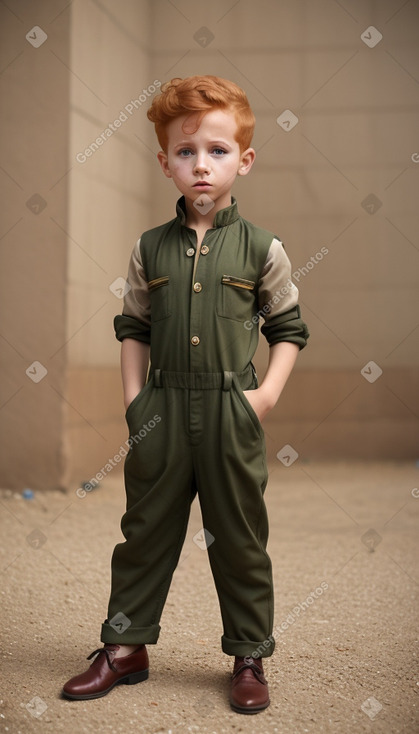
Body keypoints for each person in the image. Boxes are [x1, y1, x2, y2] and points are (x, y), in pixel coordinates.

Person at [62, 75, 309, 714]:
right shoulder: (149, 249)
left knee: (240, 534)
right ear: (165, 162)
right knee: (144, 529)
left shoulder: (263, 249)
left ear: (244, 160)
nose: (202, 164)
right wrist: (135, 403)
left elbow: (288, 330)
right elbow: (134, 329)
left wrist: (265, 398)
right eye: (186, 151)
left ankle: (249, 655)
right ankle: (124, 648)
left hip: (232, 410)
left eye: (219, 151)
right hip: (162, 412)